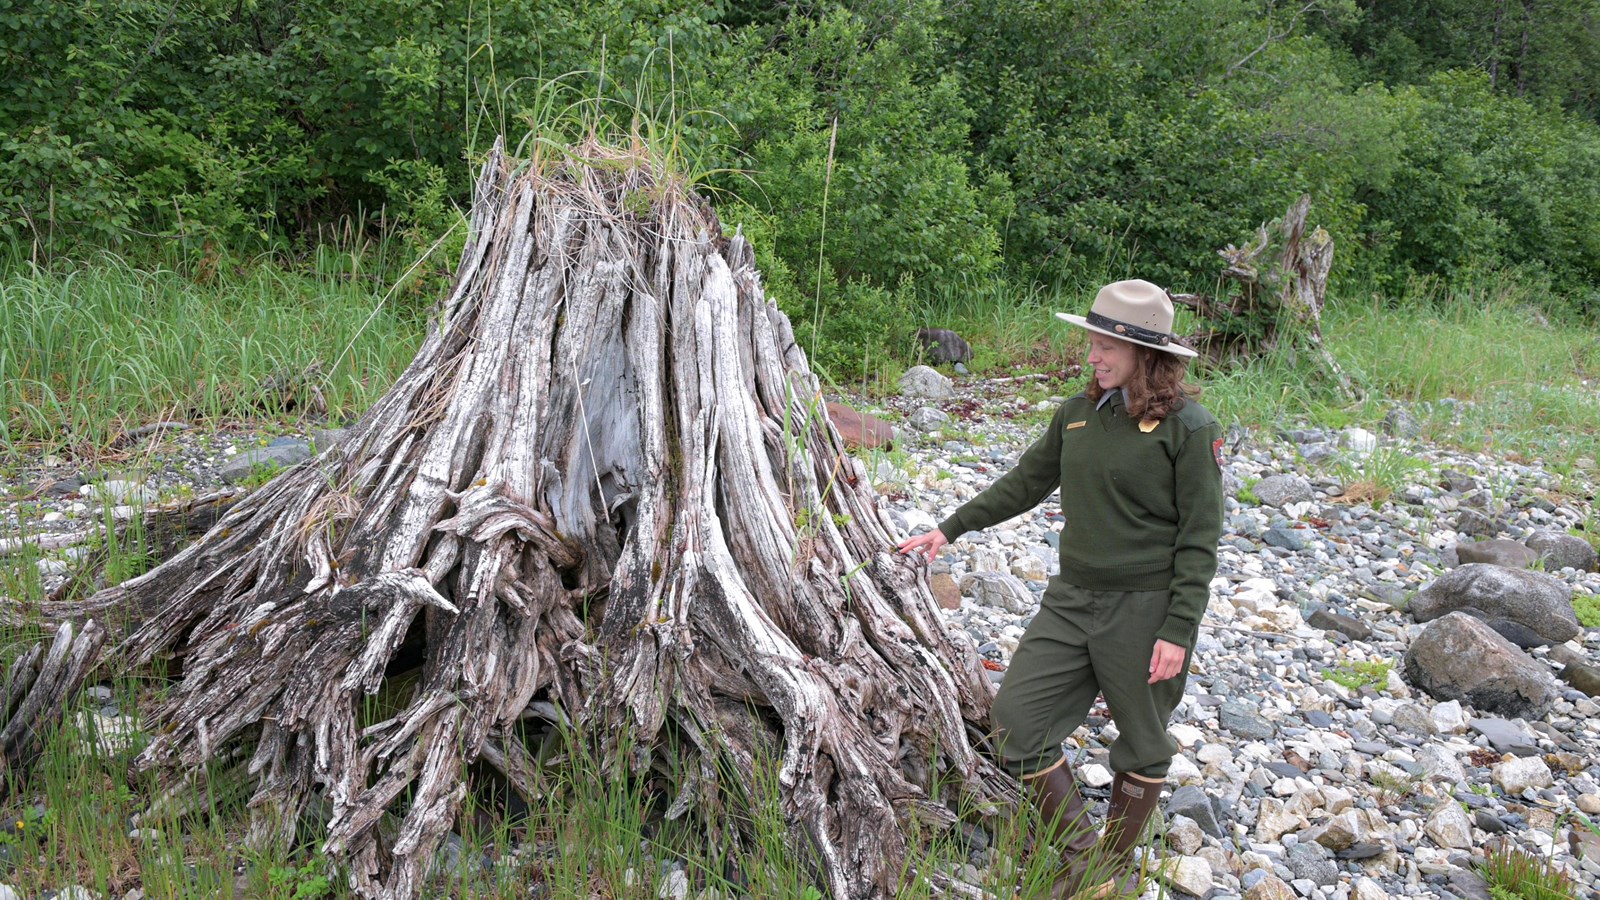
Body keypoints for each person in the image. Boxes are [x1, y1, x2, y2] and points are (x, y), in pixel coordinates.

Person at [898, 279, 1224, 898]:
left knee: (1142, 741)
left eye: (1108, 347)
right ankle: (1082, 856)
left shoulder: (1191, 429)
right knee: (1017, 722)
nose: (1093, 356)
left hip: (1146, 608)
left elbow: (1200, 540)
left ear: (1147, 354)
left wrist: (1178, 630)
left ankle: (1106, 873)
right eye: (1092, 342)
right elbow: (1025, 482)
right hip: (1071, 598)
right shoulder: (1077, 414)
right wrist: (949, 528)